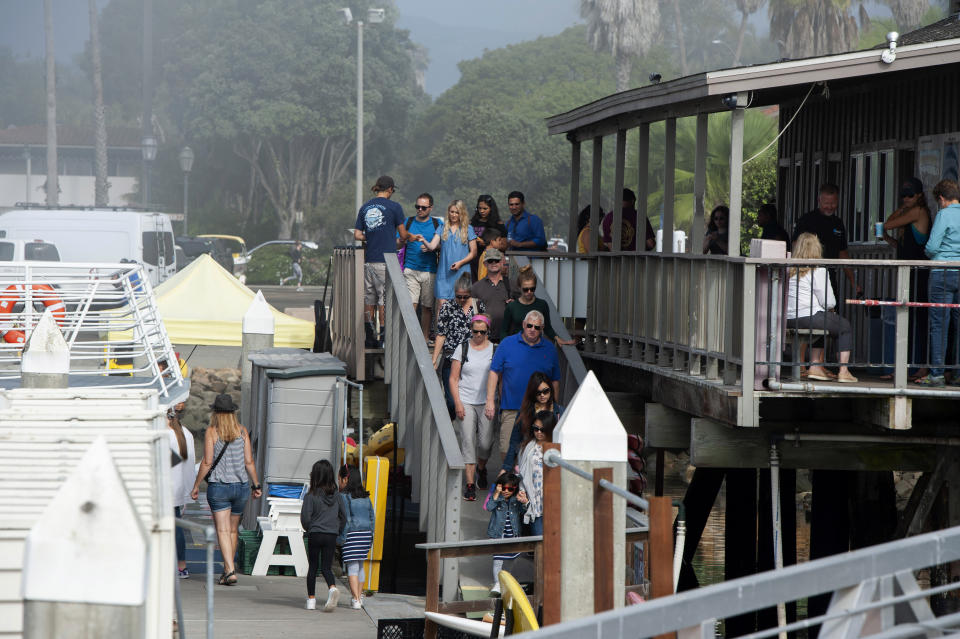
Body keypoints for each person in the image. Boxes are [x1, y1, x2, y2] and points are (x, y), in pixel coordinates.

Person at [190, 394, 262, 586]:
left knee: (222, 530)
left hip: (220, 488)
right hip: (241, 488)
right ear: (232, 413)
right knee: (232, 530)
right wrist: (256, 485)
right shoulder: (242, 431)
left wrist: (196, 485)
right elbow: (249, 461)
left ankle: (230, 570)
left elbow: (207, 462)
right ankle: (227, 569)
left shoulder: (212, 432)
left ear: (216, 413)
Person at [486, 310, 562, 458]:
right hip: (511, 408)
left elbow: (555, 381)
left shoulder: (550, 349)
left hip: (540, 409)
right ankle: (510, 480)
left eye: (537, 327)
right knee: (506, 451)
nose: (532, 329)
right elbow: (494, 371)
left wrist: (554, 408)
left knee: (536, 453)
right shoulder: (507, 344)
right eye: (529, 325)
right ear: (523, 325)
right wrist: (490, 401)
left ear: (542, 329)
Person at [786, 233, 857, 383]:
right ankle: (844, 371)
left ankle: (815, 367)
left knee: (824, 320)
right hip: (809, 316)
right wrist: (830, 309)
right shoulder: (818, 270)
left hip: (789, 319)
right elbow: (829, 302)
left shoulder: (789, 270)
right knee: (844, 326)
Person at [883, 177, 931, 381]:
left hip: (919, 273)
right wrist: (887, 238)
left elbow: (888, 222)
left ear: (919, 195)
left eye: (910, 195)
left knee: (919, 320)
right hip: (907, 272)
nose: (906, 199)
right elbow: (900, 243)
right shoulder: (908, 211)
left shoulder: (918, 212)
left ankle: (920, 367)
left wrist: (903, 210)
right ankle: (903, 367)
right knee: (907, 319)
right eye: (903, 195)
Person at [354, 175, 410, 348]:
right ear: (390, 189)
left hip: (368, 260)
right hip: (385, 261)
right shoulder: (394, 207)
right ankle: (384, 338)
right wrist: (410, 237)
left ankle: (369, 337)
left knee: (369, 300)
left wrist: (370, 237)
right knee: (384, 301)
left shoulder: (365, 207)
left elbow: (356, 234)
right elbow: (402, 235)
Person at [916, 179, 960, 386]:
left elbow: (932, 246)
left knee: (939, 324)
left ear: (941, 199)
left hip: (942, 273)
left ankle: (937, 374)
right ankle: (958, 373)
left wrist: (929, 253)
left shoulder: (943, 214)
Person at [449, 314, 496, 500]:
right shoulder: (463, 348)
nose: (478, 335)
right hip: (466, 400)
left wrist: (495, 400)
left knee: (485, 443)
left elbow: (499, 376)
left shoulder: (494, 349)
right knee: (468, 440)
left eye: (482, 332)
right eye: (475, 331)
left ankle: (482, 468)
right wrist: (457, 403)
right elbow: (453, 378)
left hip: (487, 401)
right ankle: (469, 484)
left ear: (487, 332)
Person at [793, 183, 861, 296]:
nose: (830, 207)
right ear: (819, 200)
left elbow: (842, 253)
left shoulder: (838, 223)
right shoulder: (806, 220)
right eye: (826, 203)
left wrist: (853, 282)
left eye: (833, 203)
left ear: (838, 201)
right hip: (809, 275)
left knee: (831, 308)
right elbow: (796, 247)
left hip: (830, 276)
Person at [433, 274, 486, 417]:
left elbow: (484, 331)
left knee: (469, 400)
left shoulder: (478, 305)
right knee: (451, 400)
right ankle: (450, 426)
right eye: (459, 296)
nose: (462, 300)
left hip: (472, 359)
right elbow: (441, 334)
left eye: (465, 296)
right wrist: (434, 360)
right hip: (451, 357)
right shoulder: (447, 307)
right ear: (454, 293)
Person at [499, 371, 565, 479]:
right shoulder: (525, 412)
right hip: (530, 459)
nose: (542, 395)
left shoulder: (560, 412)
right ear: (532, 393)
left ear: (551, 391)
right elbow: (515, 441)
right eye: (538, 392)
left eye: (545, 391)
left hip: (552, 457)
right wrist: (505, 468)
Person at [300, 459, 346, 611]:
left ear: (315, 476)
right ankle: (332, 588)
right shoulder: (337, 496)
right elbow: (343, 516)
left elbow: (305, 518)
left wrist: (310, 528)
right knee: (327, 567)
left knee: (313, 567)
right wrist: (337, 530)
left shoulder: (311, 495)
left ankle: (311, 601)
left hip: (315, 533)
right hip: (331, 534)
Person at [401, 193, 442, 343]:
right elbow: (398, 243)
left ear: (430, 208)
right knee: (411, 306)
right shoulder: (408, 221)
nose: (419, 209)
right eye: (417, 207)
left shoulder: (437, 224)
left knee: (427, 307)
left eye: (423, 207)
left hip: (429, 269)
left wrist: (434, 248)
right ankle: (409, 337)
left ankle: (424, 337)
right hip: (410, 268)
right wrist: (403, 239)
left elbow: (442, 245)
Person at [500, 266, 574, 346]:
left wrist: (557, 338)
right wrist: (506, 346)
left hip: (536, 346)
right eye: (525, 289)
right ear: (519, 287)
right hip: (517, 345)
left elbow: (547, 327)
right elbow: (504, 330)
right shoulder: (512, 306)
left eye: (532, 289)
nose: (529, 292)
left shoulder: (542, 304)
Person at [337, 465, 375, 610]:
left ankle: (356, 599)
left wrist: (342, 538)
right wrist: (371, 534)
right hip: (366, 534)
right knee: (360, 566)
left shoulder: (344, 497)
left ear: (346, 479)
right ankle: (359, 597)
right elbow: (372, 516)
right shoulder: (366, 497)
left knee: (352, 568)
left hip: (352, 533)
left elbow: (346, 519)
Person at [485, 472, 528, 596]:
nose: (506, 491)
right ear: (499, 486)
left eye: (510, 489)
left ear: (515, 489)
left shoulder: (516, 500)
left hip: (513, 534)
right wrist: (496, 493)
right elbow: (488, 507)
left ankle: (505, 580)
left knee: (511, 558)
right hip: (498, 534)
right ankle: (497, 583)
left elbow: (523, 511)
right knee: (498, 559)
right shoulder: (497, 498)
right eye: (503, 488)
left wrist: (524, 502)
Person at [517, 410, 558, 536]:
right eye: (536, 428)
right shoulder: (528, 446)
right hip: (534, 500)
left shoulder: (557, 447)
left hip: (552, 499)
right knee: (538, 538)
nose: (539, 432)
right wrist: (522, 492)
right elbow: (522, 473)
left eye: (543, 429)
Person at [168, 401, 195, 579]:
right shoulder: (187, 434)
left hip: (166, 487)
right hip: (178, 488)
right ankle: (181, 566)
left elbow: (167, 462)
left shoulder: (165, 434)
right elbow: (188, 463)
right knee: (177, 528)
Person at [435, 200, 478, 309]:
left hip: (462, 273)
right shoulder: (442, 227)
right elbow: (433, 245)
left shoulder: (468, 228)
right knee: (442, 307)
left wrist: (460, 262)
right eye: (452, 211)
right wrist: (423, 241)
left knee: (462, 306)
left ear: (461, 213)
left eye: (457, 212)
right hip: (444, 272)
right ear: (448, 212)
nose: (454, 215)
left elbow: (474, 252)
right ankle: (442, 327)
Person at [471, 247, 514, 342]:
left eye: (497, 260)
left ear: (502, 262)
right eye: (490, 261)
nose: (494, 263)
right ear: (485, 264)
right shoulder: (476, 287)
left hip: (508, 337)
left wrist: (515, 304)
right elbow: (472, 315)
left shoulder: (512, 285)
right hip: (484, 338)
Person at [470, 195, 507, 280]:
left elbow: (504, 245)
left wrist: (488, 244)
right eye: (479, 208)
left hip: (491, 261)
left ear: (491, 209)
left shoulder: (498, 224)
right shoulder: (473, 222)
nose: (481, 211)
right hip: (474, 261)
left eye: (485, 208)